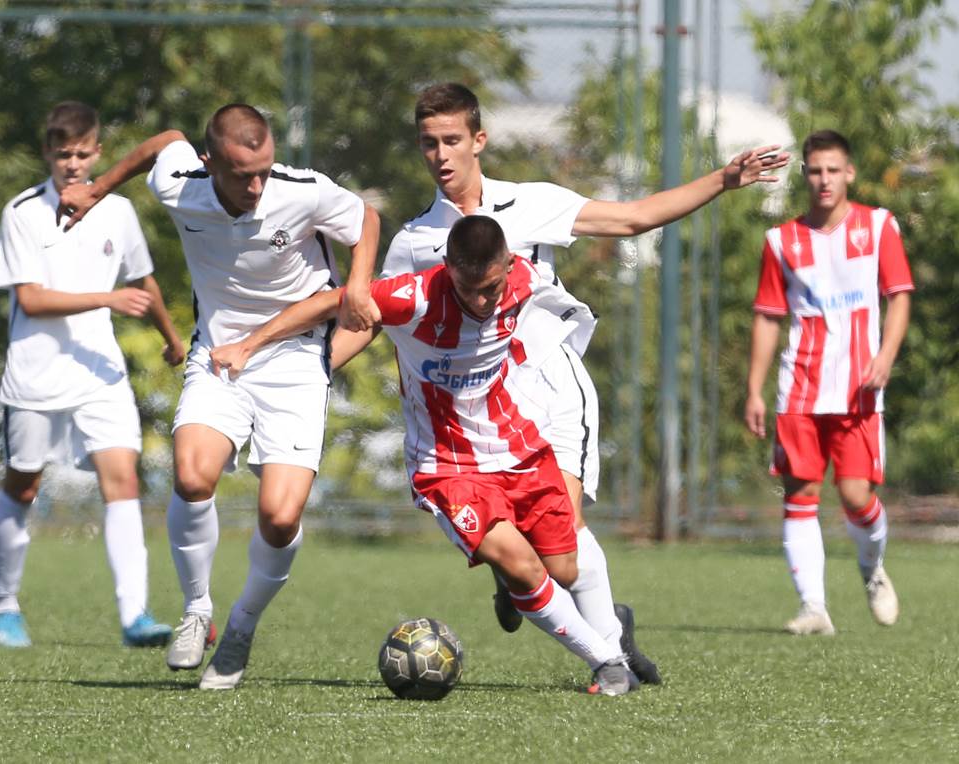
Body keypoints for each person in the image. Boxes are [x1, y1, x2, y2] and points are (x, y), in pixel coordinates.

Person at [331, 82, 790, 682]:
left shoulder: (528, 203)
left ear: (479, 141)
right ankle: (601, 644)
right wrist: (316, 371)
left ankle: (594, 631)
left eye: (451, 141)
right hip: (473, 408)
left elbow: (633, 219)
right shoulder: (416, 241)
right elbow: (376, 318)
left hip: (550, 386)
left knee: (564, 546)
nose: (440, 156)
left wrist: (722, 181)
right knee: (535, 557)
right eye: (428, 143)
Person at [213, 214, 641, 695]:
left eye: (491, 289)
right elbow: (329, 303)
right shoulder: (414, 296)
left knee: (561, 570)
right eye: (468, 289)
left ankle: (513, 581)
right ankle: (609, 663)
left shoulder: (527, 277)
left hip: (519, 449)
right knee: (525, 568)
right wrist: (249, 345)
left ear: (508, 265)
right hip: (448, 466)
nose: (481, 301)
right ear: (449, 268)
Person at [59, 103, 380, 689]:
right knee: (191, 475)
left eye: (264, 169)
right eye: (241, 174)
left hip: (298, 359)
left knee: (280, 517)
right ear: (209, 165)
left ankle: (241, 627)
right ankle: (198, 608)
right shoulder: (184, 188)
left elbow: (364, 218)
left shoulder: (301, 191)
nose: (256, 185)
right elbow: (165, 141)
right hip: (221, 355)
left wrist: (357, 284)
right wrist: (97, 190)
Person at [0, 101, 185, 649]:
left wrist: (172, 340)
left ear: (98, 152)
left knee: (121, 482)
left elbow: (142, 281)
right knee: (23, 484)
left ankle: (136, 617)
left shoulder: (117, 211)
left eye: (81, 153)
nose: (72, 164)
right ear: (48, 154)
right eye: (61, 154)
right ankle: (3, 607)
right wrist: (106, 297)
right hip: (36, 374)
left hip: (100, 372)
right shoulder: (22, 212)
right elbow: (31, 299)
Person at [744, 129, 913, 635]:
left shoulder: (878, 226)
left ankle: (871, 569)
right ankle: (813, 607)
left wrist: (885, 354)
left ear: (849, 173)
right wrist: (754, 387)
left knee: (858, 496)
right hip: (799, 387)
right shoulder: (781, 241)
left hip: (859, 388)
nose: (824, 180)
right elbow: (768, 315)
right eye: (815, 170)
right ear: (805, 174)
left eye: (833, 170)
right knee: (800, 492)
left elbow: (899, 295)